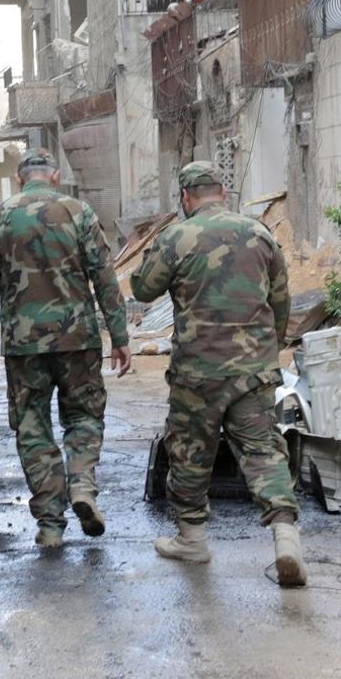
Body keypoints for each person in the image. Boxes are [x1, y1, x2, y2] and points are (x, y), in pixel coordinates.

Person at [130, 161, 306, 586]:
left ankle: (192, 540)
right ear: (222, 193)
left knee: (190, 453)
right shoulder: (260, 234)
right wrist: (271, 348)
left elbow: (141, 288)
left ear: (186, 199)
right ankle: (285, 539)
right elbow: (281, 301)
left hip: (198, 372)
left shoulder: (177, 235)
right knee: (263, 451)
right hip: (254, 370)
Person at [0, 148, 132, 548]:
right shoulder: (79, 212)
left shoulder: (0, 216)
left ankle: (50, 525)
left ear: (20, 178)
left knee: (32, 427)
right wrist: (120, 336)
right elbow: (105, 278)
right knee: (83, 418)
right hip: (78, 339)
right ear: (55, 177)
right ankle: (81, 487)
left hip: (24, 344)